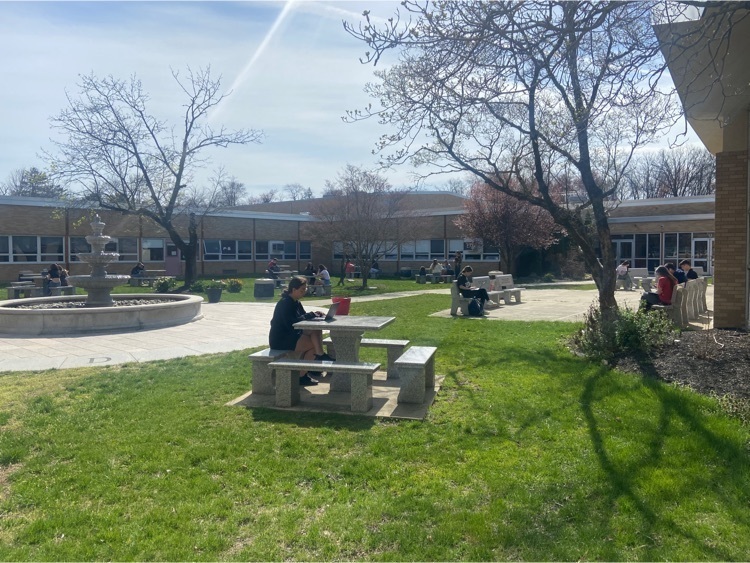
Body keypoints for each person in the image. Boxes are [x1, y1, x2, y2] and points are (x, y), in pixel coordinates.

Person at [269, 276, 334, 386]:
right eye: (302, 290)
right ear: (293, 290)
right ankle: (302, 375)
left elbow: (303, 316)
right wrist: (310, 315)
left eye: (305, 289)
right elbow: (291, 323)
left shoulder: (296, 302)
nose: (304, 292)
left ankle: (318, 356)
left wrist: (315, 314)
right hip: (281, 339)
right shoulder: (285, 303)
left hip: (291, 335)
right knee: (314, 346)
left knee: (316, 330)